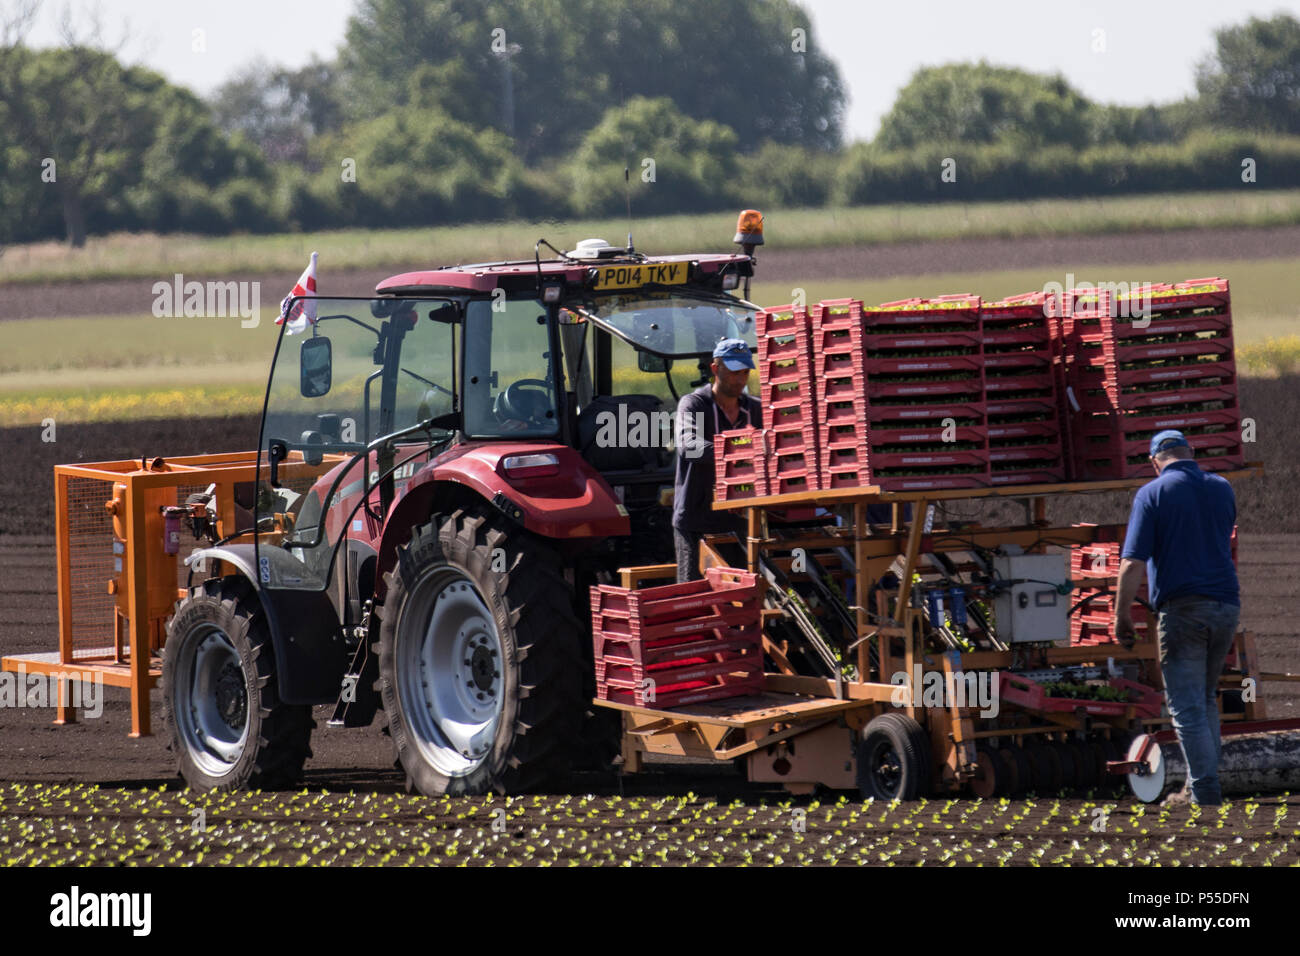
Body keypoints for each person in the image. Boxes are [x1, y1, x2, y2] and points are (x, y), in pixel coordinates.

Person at [1114, 429, 1240, 807]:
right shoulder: (1222, 488)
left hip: (1183, 610)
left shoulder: (1152, 494)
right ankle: (1201, 784)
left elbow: (1132, 563)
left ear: (1155, 462)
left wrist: (1122, 616)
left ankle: (1204, 793)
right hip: (1227, 606)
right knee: (1203, 699)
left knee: (1185, 706)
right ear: (1192, 453)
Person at [672, 338, 763, 582]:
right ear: (715, 369)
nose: (740, 379)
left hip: (741, 521)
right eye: (734, 371)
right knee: (694, 596)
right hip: (696, 519)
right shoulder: (694, 405)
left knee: (746, 593)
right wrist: (741, 450)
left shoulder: (755, 410)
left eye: (745, 372)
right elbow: (688, 447)